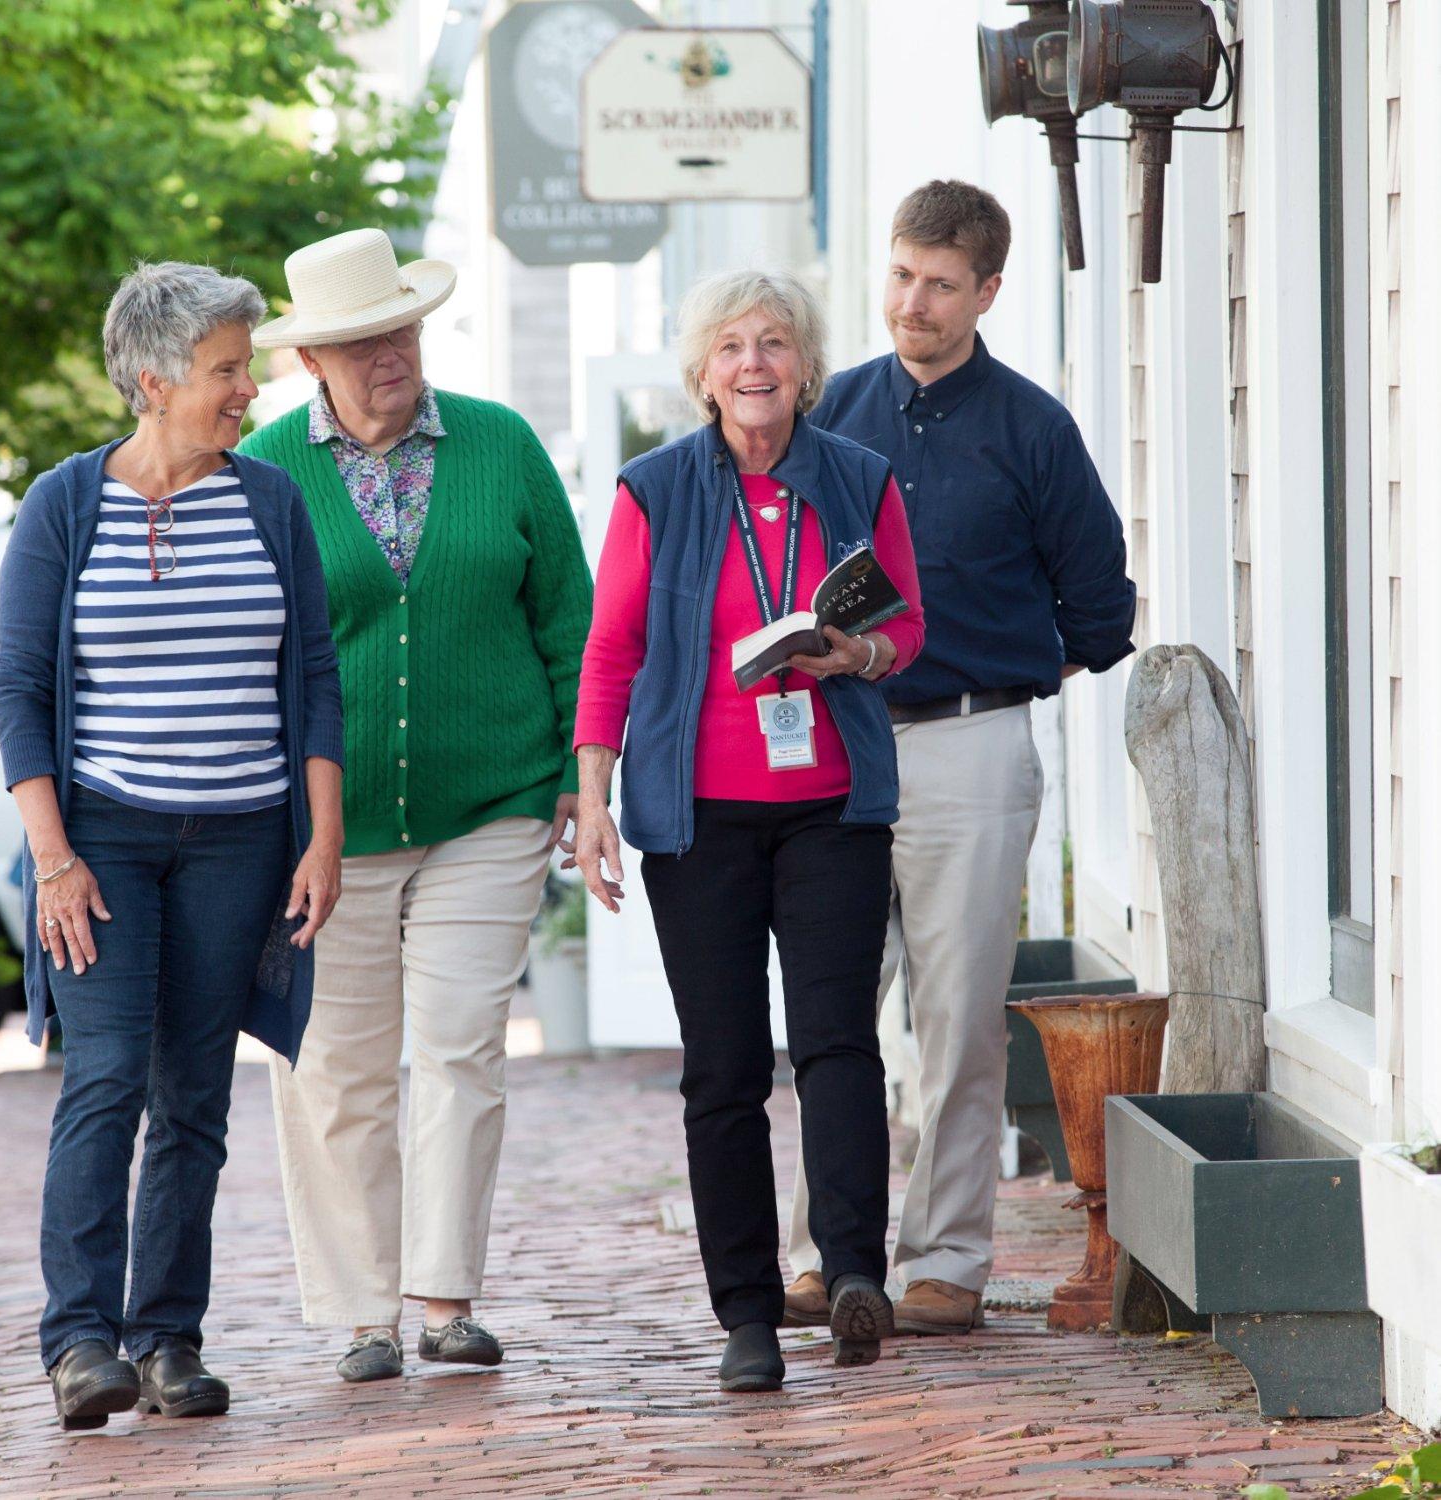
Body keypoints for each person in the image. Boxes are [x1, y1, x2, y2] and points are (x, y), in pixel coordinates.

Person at [0, 261, 345, 1430]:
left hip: (242, 838)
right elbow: (20, 688)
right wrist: (53, 855)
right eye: (227, 369)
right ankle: (79, 1340)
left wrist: (321, 835)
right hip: (102, 837)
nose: (250, 388)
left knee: (195, 1094)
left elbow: (312, 678)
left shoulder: (269, 502)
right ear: (153, 381)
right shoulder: (65, 506)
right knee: (102, 1078)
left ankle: (166, 1340)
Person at [238, 228, 594, 1383]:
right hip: (323, 832)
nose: (387, 352)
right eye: (358, 340)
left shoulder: (500, 444)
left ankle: (443, 1299)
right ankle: (361, 1315)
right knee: (333, 1067)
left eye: (397, 327)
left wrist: (583, 787)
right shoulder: (265, 468)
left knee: (459, 1048)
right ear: (311, 362)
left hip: (492, 800)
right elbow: (248, 653)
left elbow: (572, 626)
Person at [785, 180, 1137, 1336]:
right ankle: (823, 1253)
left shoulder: (1033, 428)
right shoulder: (825, 416)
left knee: (959, 1019)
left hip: (973, 747)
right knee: (832, 1010)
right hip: (837, 745)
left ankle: (945, 1259)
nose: (913, 303)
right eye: (900, 276)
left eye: (940, 284)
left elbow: (1099, 611)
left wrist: (994, 673)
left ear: (988, 290)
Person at [570, 269, 926, 1392]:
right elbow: (611, 651)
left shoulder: (859, 481)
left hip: (830, 811)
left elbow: (906, 624)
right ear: (702, 373)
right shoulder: (656, 490)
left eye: (775, 344)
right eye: (732, 347)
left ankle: (855, 1274)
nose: (755, 366)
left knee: (837, 1045)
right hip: (699, 824)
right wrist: (592, 795)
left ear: (806, 366)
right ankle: (748, 1314)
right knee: (721, 1069)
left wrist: (852, 654)